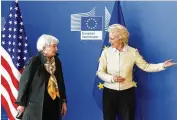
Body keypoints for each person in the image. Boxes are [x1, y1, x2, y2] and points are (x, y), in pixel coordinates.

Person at [97, 24, 177, 120]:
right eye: (109, 38)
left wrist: (162, 65)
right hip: (109, 93)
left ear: (121, 38)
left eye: (112, 38)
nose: (109, 41)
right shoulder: (106, 52)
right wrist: (111, 78)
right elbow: (100, 72)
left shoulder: (133, 52)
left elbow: (146, 66)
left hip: (127, 93)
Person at [15, 34, 67, 120]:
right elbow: (24, 83)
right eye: (54, 46)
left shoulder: (57, 62)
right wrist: (21, 104)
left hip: (54, 104)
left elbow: (60, 83)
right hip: (36, 106)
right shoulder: (34, 62)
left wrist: (63, 101)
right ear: (44, 47)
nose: (56, 49)